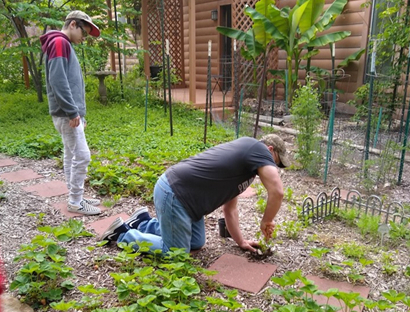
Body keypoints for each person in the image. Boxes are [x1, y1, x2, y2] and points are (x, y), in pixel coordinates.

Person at [101, 134, 290, 253]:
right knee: (175, 252)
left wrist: (240, 241)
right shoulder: (257, 149)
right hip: (174, 193)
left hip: (186, 202)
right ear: (270, 150)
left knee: (196, 242)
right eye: (276, 162)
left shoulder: (245, 167)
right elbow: (277, 191)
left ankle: (143, 222)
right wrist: (266, 221)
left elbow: (229, 209)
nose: (276, 167)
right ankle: (122, 234)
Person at [40, 11, 101, 215]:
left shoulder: (62, 44)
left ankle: (76, 196)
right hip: (67, 114)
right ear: (73, 24)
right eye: (84, 32)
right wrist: (73, 112)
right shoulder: (60, 43)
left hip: (66, 113)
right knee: (83, 156)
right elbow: (58, 81)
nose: (84, 38)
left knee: (70, 154)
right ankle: (75, 201)